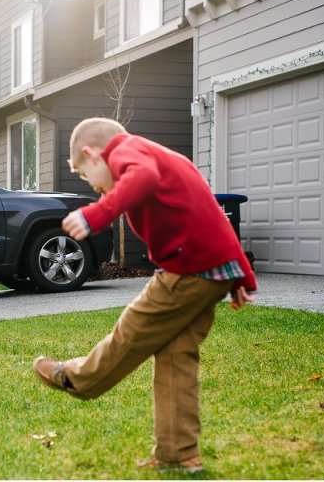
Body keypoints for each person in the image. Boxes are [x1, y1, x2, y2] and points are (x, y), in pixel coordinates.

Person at [33, 117, 257, 474]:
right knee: (176, 354)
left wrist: (96, 215)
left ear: (93, 155)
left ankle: (78, 378)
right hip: (212, 269)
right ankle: (179, 455)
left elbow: (142, 178)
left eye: (86, 176)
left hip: (188, 268)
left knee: (132, 330)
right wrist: (241, 276)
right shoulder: (162, 155)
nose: (93, 186)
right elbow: (211, 214)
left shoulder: (128, 152)